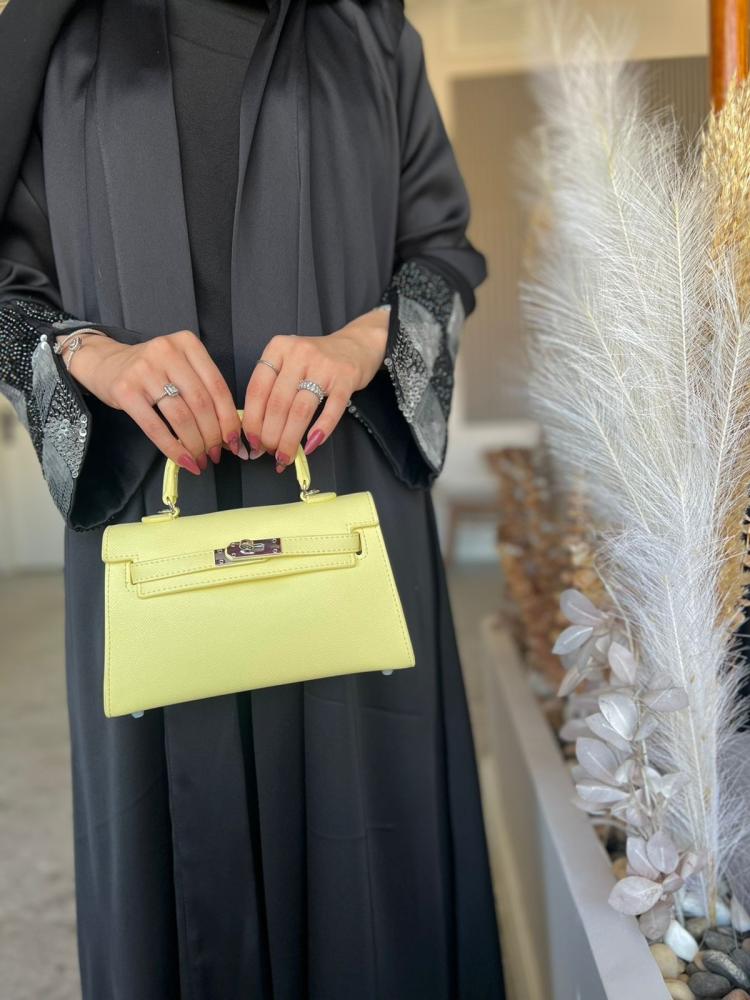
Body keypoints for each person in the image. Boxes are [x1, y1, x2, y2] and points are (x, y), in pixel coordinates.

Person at [0, 0, 505, 997]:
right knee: (176, 876)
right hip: (150, 509)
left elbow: (444, 254)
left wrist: (361, 344)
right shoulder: (52, 36)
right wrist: (92, 355)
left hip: (348, 499)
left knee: (372, 859)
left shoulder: (368, 32)